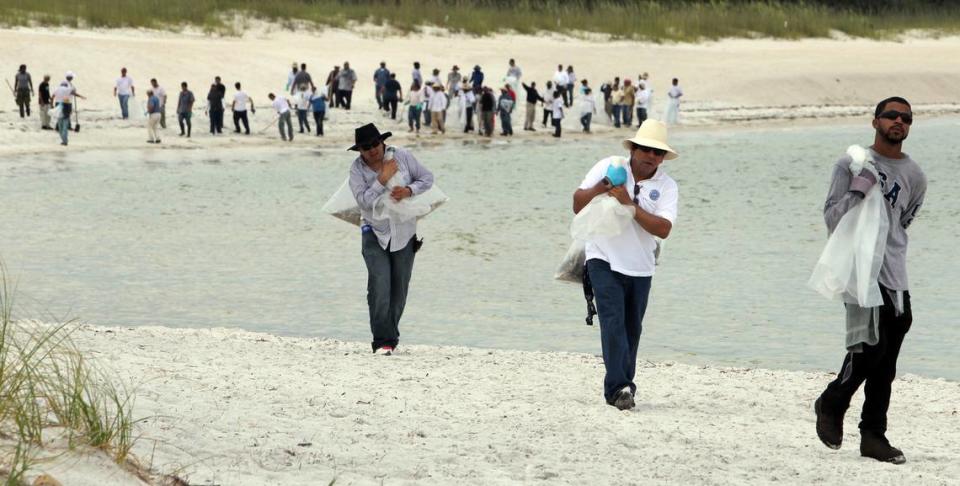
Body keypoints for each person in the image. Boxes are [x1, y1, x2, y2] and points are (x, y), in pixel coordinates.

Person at [814, 97, 926, 465]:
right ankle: (832, 402)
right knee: (868, 347)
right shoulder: (851, 163)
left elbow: (903, 222)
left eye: (906, 118)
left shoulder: (915, 176)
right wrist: (856, 192)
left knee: (888, 359)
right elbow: (832, 218)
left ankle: (873, 435)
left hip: (896, 273)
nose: (899, 121)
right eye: (892, 115)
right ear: (875, 121)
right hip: (861, 272)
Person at [572, 119, 679, 410]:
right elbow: (577, 203)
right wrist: (599, 189)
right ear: (633, 148)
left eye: (657, 153)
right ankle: (618, 387)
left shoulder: (667, 186)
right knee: (612, 322)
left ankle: (624, 387)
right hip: (602, 256)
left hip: (641, 266)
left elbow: (663, 228)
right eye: (645, 149)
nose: (650, 157)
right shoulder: (609, 166)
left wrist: (629, 205)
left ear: (663, 157)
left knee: (632, 329)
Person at [348, 123, 434, 355]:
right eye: (365, 147)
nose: (372, 149)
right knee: (379, 284)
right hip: (373, 233)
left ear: (382, 141)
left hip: (405, 231)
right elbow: (364, 202)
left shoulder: (402, 156)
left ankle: (391, 338)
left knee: (399, 289)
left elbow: (427, 178)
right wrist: (382, 179)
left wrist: (409, 190)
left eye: (375, 143)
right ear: (359, 151)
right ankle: (381, 340)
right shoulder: (356, 170)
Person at [52, 78, 84, 146]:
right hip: (67, 106)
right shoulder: (67, 89)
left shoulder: (57, 89)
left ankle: (63, 140)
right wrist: (81, 96)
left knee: (60, 124)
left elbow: (52, 97)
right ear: (66, 85)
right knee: (65, 124)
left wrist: (52, 105)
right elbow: (74, 92)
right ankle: (65, 141)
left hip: (58, 107)